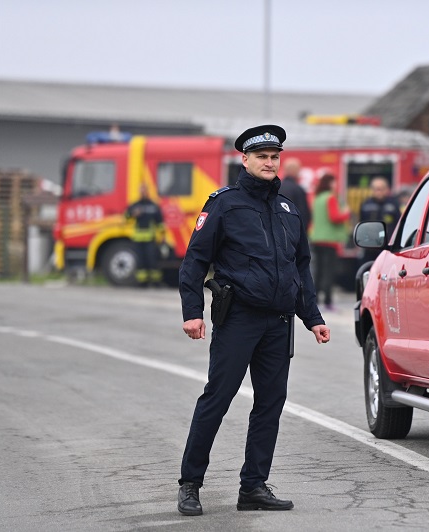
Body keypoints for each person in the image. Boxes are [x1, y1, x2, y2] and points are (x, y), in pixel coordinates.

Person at [176, 124, 330, 517]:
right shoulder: (224, 204)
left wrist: (312, 317)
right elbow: (194, 261)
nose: (269, 162)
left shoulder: (288, 209)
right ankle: (190, 484)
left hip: (278, 322)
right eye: (261, 157)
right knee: (218, 398)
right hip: (239, 318)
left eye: (274, 157)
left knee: (270, 405)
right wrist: (192, 312)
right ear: (244, 160)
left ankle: (253, 487)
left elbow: (301, 267)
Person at [309, 173, 350, 311]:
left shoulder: (317, 198)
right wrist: (346, 212)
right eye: (334, 182)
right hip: (329, 240)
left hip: (316, 238)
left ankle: (315, 300)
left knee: (318, 271)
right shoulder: (330, 197)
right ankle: (327, 301)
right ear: (330, 183)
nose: (336, 185)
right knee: (328, 272)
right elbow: (334, 217)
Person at [124, 184, 164, 286]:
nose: (143, 193)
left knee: (152, 260)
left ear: (148, 192)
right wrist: (133, 214)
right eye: (141, 191)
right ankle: (142, 282)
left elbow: (160, 222)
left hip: (150, 238)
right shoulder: (135, 205)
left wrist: (162, 236)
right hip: (137, 238)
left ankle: (155, 282)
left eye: (145, 191)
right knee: (140, 261)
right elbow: (126, 217)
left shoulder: (153, 206)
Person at [358, 176, 400, 263]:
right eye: (376, 189)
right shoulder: (366, 205)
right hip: (370, 246)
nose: (378, 192)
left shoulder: (393, 204)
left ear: (386, 190)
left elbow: (399, 223)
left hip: (388, 246)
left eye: (381, 189)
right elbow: (361, 223)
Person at [278, 157, 311, 231]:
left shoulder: (277, 187)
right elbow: (304, 213)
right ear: (295, 171)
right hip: (295, 230)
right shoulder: (298, 189)